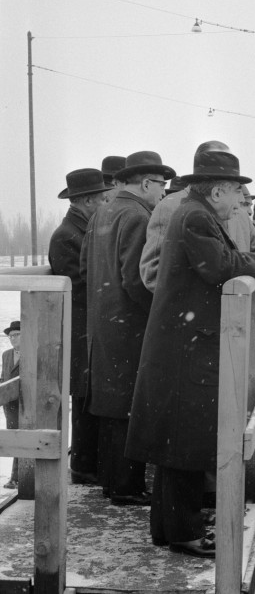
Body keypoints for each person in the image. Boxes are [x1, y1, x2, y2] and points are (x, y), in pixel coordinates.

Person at [126, 142, 255, 557]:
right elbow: (220, 266)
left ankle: (170, 529)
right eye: (237, 193)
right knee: (184, 443)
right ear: (217, 191)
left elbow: (228, 257)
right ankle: (185, 533)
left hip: (181, 342)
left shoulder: (193, 213)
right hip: (186, 346)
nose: (241, 203)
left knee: (173, 442)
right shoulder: (196, 216)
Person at [81, 150, 175, 506]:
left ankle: (111, 481)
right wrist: (159, 314)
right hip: (131, 326)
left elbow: (87, 268)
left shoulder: (102, 211)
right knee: (129, 406)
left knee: (110, 406)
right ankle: (126, 486)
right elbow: (136, 279)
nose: (163, 192)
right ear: (147, 183)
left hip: (104, 324)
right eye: (161, 185)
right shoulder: (137, 215)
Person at [139, 141, 255, 292]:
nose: (240, 198)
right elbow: (154, 274)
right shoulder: (170, 208)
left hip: (235, 320)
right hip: (198, 323)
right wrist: (212, 296)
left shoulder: (236, 212)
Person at [48, 169, 112, 485]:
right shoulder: (66, 236)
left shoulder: (84, 229)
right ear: (86, 200)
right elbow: (80, 285)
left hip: (90, 328)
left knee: (92, 395)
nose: (105, 202)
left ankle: (91, 462)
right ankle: (85, 466)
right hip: (80, 329)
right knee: (85, 397)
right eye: (101, 198)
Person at [2, 321, 20, 489]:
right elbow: (4, 377)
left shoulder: (32, 354)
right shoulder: (6, 355)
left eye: (17, 335)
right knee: (14, 439)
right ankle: (15, 477)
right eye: (11, 336)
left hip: (25, 405)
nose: (13, 338)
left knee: (22, 439)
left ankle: (16, 477)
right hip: (9, 406)